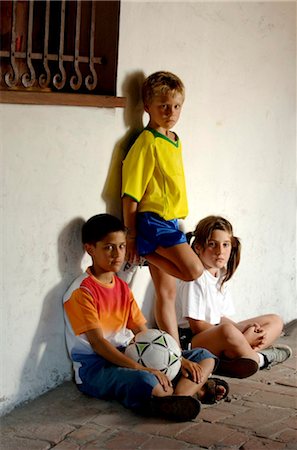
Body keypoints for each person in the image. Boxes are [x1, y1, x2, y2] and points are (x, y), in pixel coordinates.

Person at [63, 214, 229, 423]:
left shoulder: (121, 287)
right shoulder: (82, 292)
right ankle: (192, 390)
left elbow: (143, 331)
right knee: (146, 379)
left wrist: (178, 359)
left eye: (122, 246)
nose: (118, 254)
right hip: (96, 368)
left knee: (204, 356)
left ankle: (177, 398)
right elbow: (99, 345)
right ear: (90, 249)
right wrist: (144, 368)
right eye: (109, 247)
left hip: (132, 353)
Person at [121, 71, 204, 349]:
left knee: (166, 293)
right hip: (154, 221)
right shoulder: (147, 142)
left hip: (172, 220)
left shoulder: (174, 139)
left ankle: (174, 355)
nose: (171, 112)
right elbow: (130, 193)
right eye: (163, 106)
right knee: (194, 271)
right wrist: (132, 236)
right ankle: (146, 253)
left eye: (176, 106)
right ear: (147, 107)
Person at [175, 215, 292, 378]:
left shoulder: (221, 275)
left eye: (225, 245)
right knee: (228, 331)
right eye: (212, 244)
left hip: (217, 332)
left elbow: (220, 317)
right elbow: (198, 327)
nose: (220, 251)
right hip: (192, 340)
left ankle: (235, 355)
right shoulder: (194, 278)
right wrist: (240, 335)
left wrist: (244, 331)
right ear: (198, 248)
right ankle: (259, 359)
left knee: (275, 321)